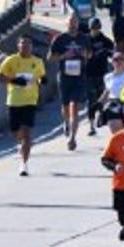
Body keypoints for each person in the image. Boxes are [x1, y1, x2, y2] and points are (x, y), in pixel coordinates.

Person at [0, 34, 47, 177]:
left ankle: (24, 164)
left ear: (32, 46)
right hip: (14, 100)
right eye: (23, 43)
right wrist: (14, 80)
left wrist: (43, 80)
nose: (25, 46)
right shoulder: (11, 60)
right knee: (15, 132)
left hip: (30, 101)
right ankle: (22, 145)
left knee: (27, 133)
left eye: (28, 43)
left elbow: (41, 76)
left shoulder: (37, 61)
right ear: (18, 45)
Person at [49, 14, 92, 151]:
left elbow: (90, 55)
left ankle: (72, 137)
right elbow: (50, 58)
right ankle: (66, 121)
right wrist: (64, 56)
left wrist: (84, 54)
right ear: (66, 24)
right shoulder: (60, 39)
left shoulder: (84, 38)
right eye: (71, 22)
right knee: (66, 106)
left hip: (79, 76)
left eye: (75, 22)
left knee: (75, 106)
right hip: (64, 76)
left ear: (78, 24)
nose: (73, 25)